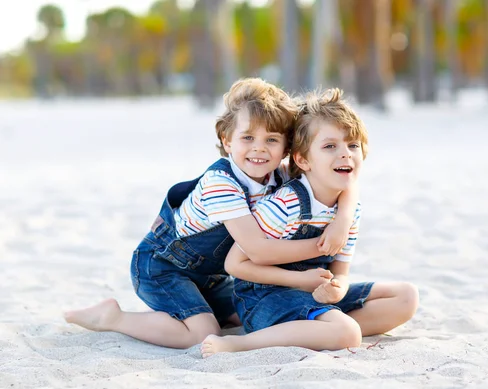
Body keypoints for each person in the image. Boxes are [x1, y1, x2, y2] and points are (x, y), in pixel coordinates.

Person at [64, 79, 358, 349]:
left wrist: (343, 220)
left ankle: (196, 308)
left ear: (286, 148)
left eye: (271, 139)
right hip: (162, 268)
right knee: (204, 333)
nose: (259, 149)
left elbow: (339, 180)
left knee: (244, 316)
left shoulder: (277, 177)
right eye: (247, 138)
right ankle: (114, 318)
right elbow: (256, 249)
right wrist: (327, 244)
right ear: (227, 140)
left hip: (210, 276)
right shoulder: (221, 184)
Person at [201, 88, 419, 357]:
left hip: (313, 292)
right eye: (330, 146)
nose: (345, 154)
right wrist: (299, 280)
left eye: (352, 145)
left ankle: (316, 329)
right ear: (303, 159)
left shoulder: (349, 210)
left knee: (406, 297)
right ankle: (241, 343)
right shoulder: (286, 204)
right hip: (267, 297)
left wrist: (337, 289)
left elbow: (341, 270)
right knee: (348, 334)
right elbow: (236, 265)